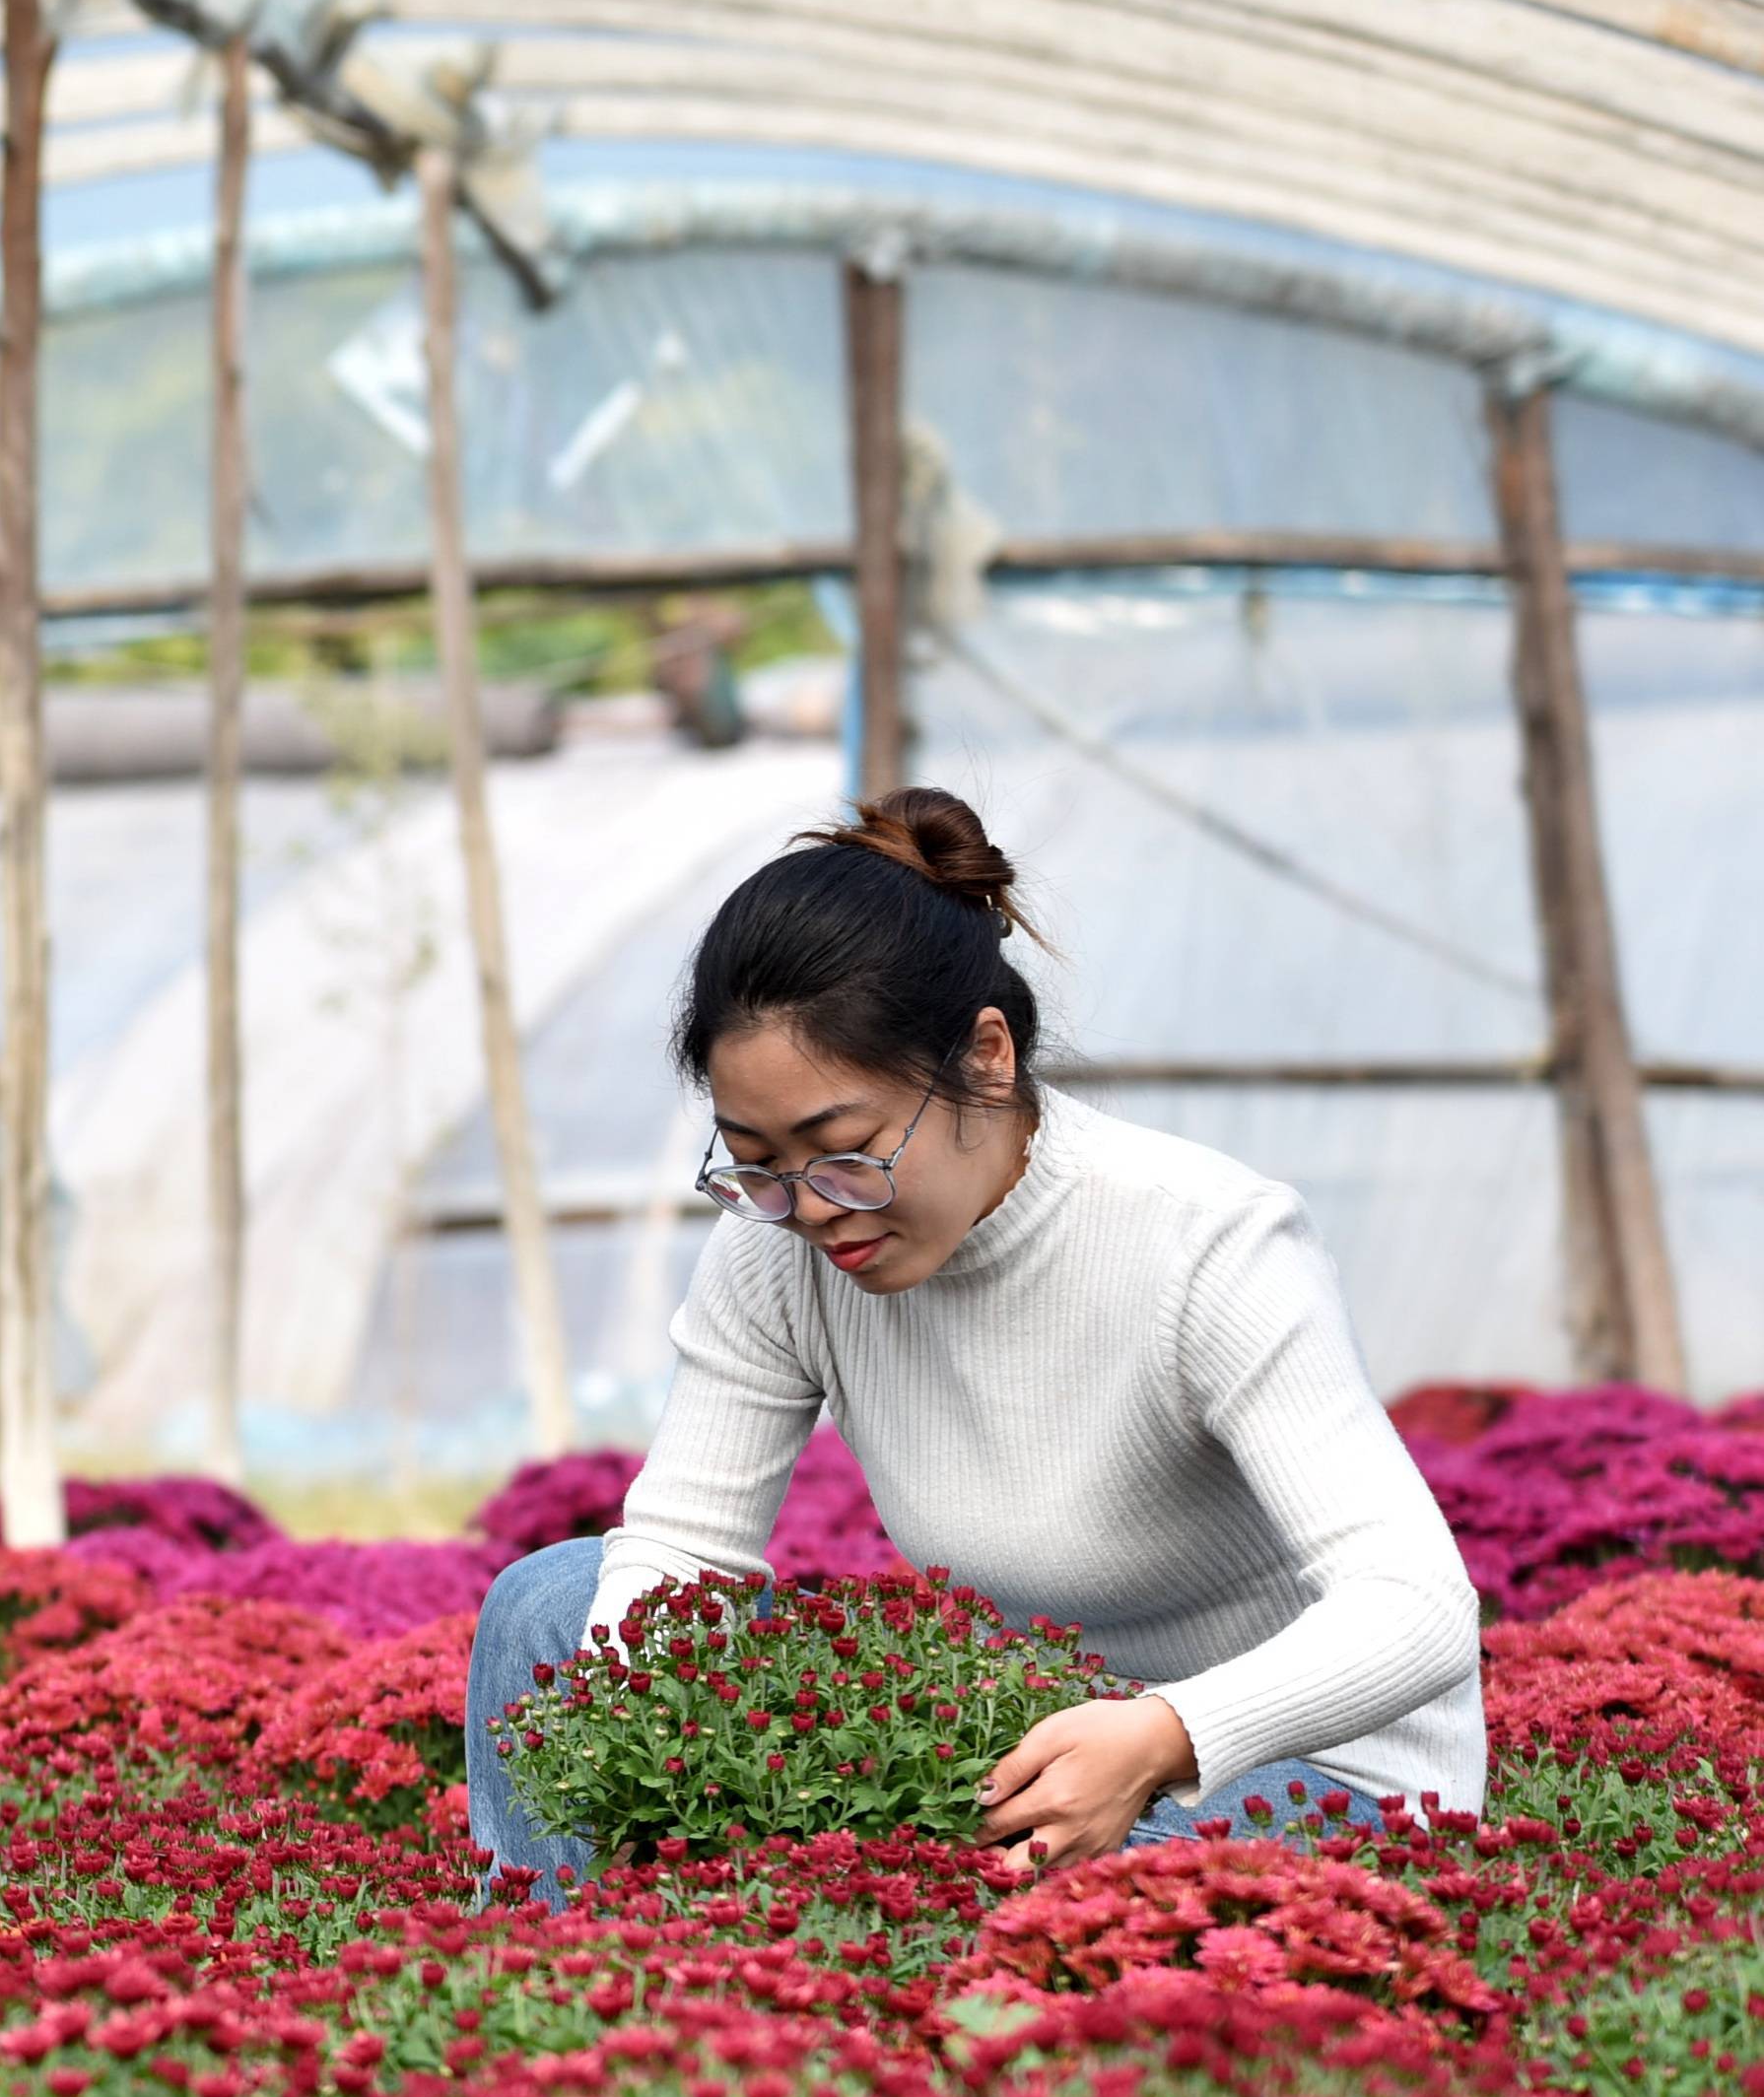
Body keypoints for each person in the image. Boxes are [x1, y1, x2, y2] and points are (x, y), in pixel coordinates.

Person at [463, 786, 1483, 1885]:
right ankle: (563, 1975)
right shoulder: (779, 1250)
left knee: (996, 1859)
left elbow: (1417, 1608)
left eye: (842, 1147)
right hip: (1015, 1736)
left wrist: (1158, 1735)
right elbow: (683, 1551)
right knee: (552, 1609)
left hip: (1304, 1777)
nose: (809, 1207)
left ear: (985, 1056)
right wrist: (627, 1737)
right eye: (755, 1162)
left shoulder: (1206, 1242)